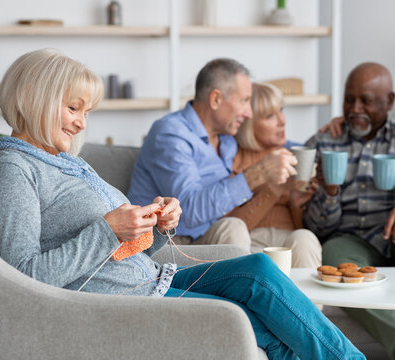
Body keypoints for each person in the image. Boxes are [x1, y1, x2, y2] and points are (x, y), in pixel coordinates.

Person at [0, 49, 366, 360]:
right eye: (73, 108)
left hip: (150, 276)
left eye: (86, 112)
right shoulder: (12, 174)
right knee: (259, 326)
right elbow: (24, 277)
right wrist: (108, 230)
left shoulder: (66, 162)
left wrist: (157, 229)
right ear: (33, 99)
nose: (80, 123)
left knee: (258, 269)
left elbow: (118, 249)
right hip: (125, 299)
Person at [304, 62, 395, 360]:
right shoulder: (323, 142)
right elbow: (317, 226)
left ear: (390, 101)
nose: (355, 108)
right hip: (352, 239)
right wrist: (329, 195)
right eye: (349, 99)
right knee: (332, 255)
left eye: (366, 101)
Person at [127, 58, 298, 251]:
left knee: (299, 241)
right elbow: (188, 211)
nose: (249, 113)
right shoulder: (170, 135)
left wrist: (329, 135)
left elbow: (277, 142)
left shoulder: (227, 137)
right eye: (244, 101)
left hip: (210, 235)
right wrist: (256, 174)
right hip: (170, 242)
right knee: (234, 228)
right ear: (215, 99)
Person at [225, 82, 322, 268]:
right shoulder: (233, 159)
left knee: (304, 238)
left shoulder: (294, 155)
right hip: (251, 239)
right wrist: (274, 191)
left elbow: (299, 227)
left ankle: (309, 299)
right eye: (270, 116)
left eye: (281, 111)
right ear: (249, 124)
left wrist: (295, 204)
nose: (282, 121)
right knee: (237, 242)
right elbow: (232, 227)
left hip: (289, 238)